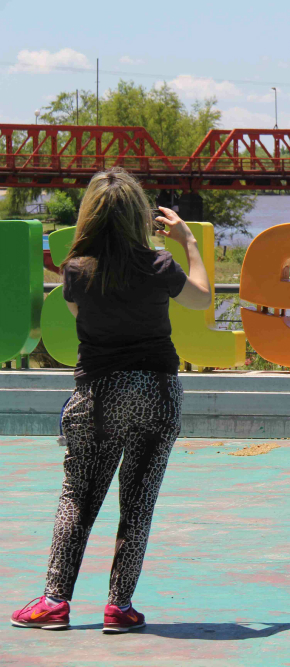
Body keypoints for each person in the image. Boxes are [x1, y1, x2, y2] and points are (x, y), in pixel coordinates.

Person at [10, 168, 211, 633]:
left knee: (78, 498)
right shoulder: (159, 265)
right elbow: (202, 300)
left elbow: (81, 317)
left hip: (98, 395)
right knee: (138, 502)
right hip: (157, 391)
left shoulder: (77, 271)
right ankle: (119, 608)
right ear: (138, 215)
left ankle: (54, 602)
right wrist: (188, 242)